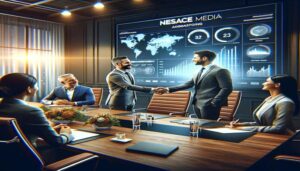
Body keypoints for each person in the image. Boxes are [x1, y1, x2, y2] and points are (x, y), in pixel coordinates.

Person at [0, 73, 74, 161]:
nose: (37, 88)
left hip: (6, 158)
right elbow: (57, 141)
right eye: (36, 85)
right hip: (27, 160)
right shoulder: (32, 112)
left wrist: (49, 130)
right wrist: (66, 134)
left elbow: (17, 132)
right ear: (29, 89)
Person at [157, 50, 233, 120]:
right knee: (200, 126)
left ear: (204, 58)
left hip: (209, 105)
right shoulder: (197, 71)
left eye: (195, 58)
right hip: (197, 103)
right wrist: (167, 89)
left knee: (208, 126)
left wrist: (214, 103)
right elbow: (188, 84)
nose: (193, 59)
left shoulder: (220, 71)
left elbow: (227, 88)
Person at [229, 75, 299, 134]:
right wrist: (240, 125)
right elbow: (263, 123)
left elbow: (278, 128)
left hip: (282, 139)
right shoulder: (269, 99)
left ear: (277, 85)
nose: (264, 83)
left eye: (267, 81)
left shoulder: (285, 102)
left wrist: (243, 129)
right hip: (269, 135)